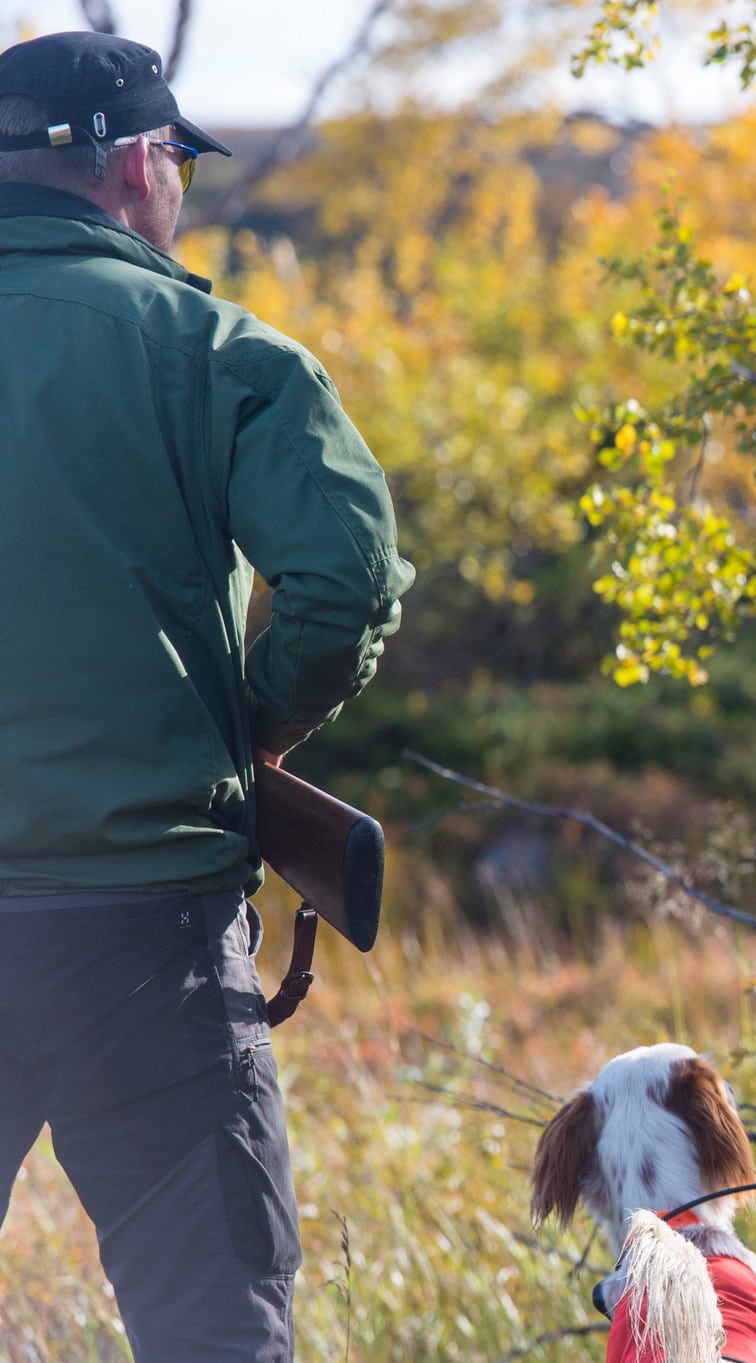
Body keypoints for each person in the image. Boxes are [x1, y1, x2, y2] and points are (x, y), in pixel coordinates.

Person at [0, 30, 413, 1362]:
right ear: (134, 165)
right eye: (177, 155)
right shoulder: (220, 352)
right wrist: (248, 731)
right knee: (211, 1331)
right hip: (149, 932)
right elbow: (342, 587)